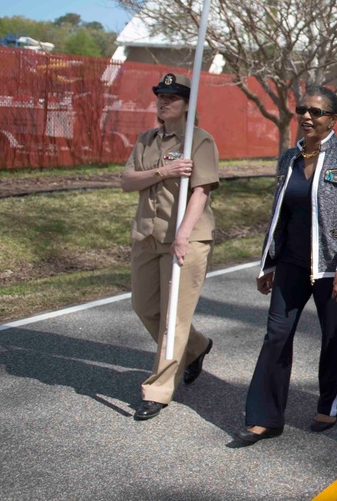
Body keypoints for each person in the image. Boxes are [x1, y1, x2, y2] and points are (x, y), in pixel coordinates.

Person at [235, 86, 337, 446]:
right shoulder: (287, 159)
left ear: (333, 119)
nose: (307, 117)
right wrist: (269, 262)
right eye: (302, 110)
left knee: (333, 339)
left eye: (317, 112)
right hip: (291, 265)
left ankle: (330, 402)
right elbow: (279, 215)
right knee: (276, 336)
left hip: (331, 267)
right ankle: (265, 417)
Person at [120, 73, 219, 421]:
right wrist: (165, 171)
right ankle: (197, 347)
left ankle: (158, 390)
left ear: (187, 105)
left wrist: (183, 234)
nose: (163, 102)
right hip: (147, 234)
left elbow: (201, 191)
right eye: (160, 96)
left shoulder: (200, 141)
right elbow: (127, 181)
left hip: (185, 238)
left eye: (172, 97)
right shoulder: (146, 140)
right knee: (145, 307)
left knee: (173, 319)